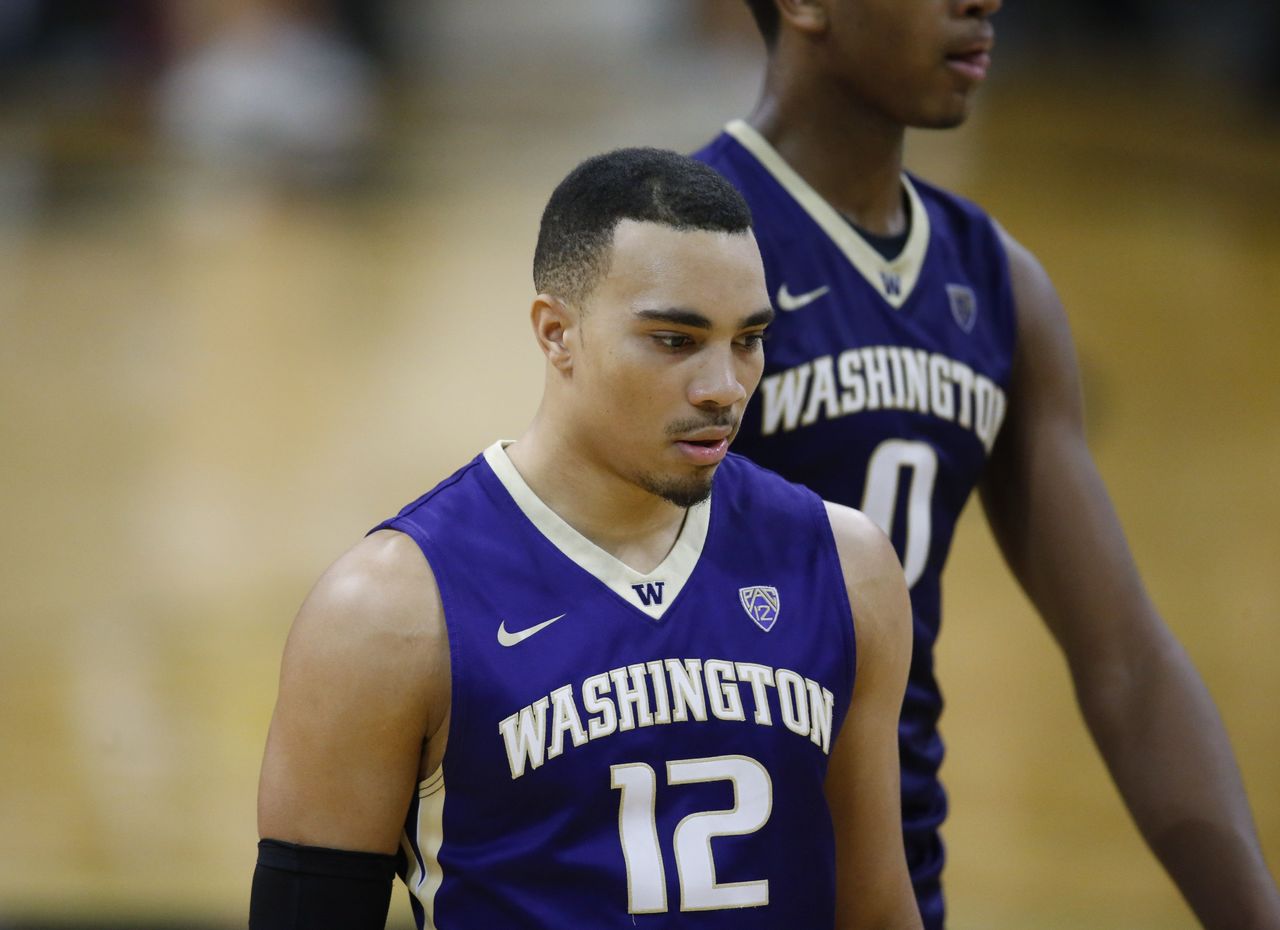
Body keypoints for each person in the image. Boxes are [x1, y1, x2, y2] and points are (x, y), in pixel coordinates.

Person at [693, 3, 1280, 929]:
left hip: (897, 879)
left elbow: (1125, 661)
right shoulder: (679, 253)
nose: (983, 2)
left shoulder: (1000, 283)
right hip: (702, 878)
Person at [250, 147, 924, 930]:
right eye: (676, 340)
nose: (725, 387)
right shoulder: (386, 611)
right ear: (556, 332)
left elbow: (876, 907)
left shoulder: (847, 567)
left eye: (747, 339)